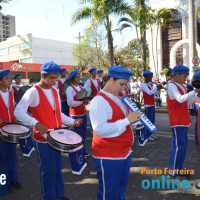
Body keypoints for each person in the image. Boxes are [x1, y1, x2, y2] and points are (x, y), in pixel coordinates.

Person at [14, 61, 82, 200]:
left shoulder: (55, 91)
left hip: (57, 136)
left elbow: (59, 114)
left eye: (55, 78)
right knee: (48, 171)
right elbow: (18, 112)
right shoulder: (33, 91)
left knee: (57, 169)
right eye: (51, 78)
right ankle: (49, 197)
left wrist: (72, 121)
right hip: (42, 139)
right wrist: (35, 123)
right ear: (42, 75)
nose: (54, 81)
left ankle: (59, 195)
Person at [90, 65, 141, 200]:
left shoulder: (118, 97)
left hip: (124, 151)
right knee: (109, 192)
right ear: (111, 80)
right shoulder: (98, 100)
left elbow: (125, 121)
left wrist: (136, 122)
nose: (123, 89)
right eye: (121, 84)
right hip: (108, 155)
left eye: (125, 85)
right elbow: (99, 129)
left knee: (119, 189)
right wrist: (126, 121)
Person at [167, 65, 200, 177]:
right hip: (177, 120)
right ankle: (174, 171)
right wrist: (194, 91)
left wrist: (196, 95)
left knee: (182, 146)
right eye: (184, 76)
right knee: (178, 146)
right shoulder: (171, 85)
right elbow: (180, 99)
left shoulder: (180, 85)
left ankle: (178, 169)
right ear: (177, 75)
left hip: (182, 119)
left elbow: (185, 102)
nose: (185, 79)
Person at [0, 70, 22, 192]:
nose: (10, 80)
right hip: (1, 133)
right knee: (2, 159)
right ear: (0, 81)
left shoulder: (10, 94)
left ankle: (13, 179)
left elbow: (13, 111)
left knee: (12, 158)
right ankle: (4, 183)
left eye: (9, 78)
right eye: (7, 78)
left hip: (11, 131)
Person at [66, 70, 89, 174]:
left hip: (83, 113)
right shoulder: (70, 89)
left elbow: (83, 97)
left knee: (83, 133)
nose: (79, 78)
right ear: (72, 78)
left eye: (79, 77)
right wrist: (81, 102)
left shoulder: (80, 87)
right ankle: (77, 152)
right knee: (77, 135)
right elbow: (69, 102)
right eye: (77, 77)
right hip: (75, 114)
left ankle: (82, 150)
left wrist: (85, 100)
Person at [140, 71, 162, 140]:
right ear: (146, 77)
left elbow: (153, 93)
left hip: (152, 104)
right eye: (150, 77)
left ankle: (150, 134)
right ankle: (147, 135)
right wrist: (156, 87)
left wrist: (158, 89)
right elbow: (149, 93)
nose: (151, 78)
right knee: (148, 121)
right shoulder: (143, 85)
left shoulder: (149, 84)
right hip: (147, 105)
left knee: (152, 121)